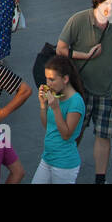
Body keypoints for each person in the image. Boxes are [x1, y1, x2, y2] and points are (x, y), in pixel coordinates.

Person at [56, 0, 112, 184]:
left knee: (103, 136)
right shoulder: (78, 20)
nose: (111, 7)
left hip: (108, 90)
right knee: (74, 133)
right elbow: (60, 48)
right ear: (97, 1)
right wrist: (85, 54)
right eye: (108, 2)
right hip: (81, 90)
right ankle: (64, 171)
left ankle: (100, 178)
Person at [33, 54, 86, 183]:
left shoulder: (76, 102)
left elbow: (66, 134)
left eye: (52, 79)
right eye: (46, 79)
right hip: (48, 157)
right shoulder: (55, 96)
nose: (48, 84)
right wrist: (42, 104)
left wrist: (56, 109)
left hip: (64, 163)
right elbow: (47, 126)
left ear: (65, 79)